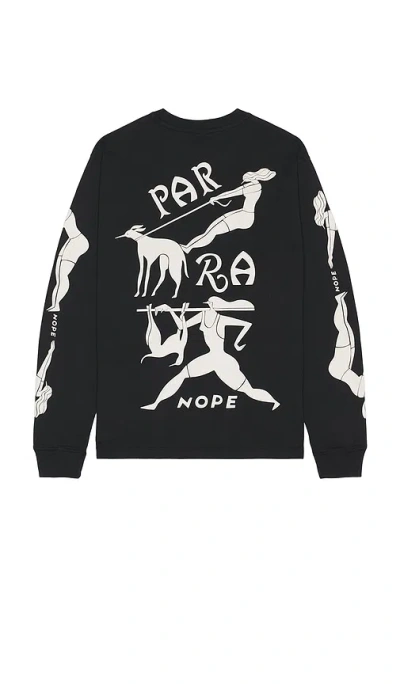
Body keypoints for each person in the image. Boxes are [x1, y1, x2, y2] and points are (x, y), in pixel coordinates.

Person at [141, 296, 280, 410]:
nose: (207, 306)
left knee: (248, 390)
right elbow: (181, 326)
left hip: (222, 360)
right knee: (181, 375)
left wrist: (237, 343)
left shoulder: (222, 319)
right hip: (210, 358)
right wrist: (170, 309)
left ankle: (274, 402)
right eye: (207, 304)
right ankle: (156, 404)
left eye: (209, 304)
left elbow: (247, 324)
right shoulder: (202, 315)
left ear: (214, 305)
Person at [181, 168, 276, 254]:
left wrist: (216, 197)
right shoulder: (255, 185)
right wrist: (216, 198)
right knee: (212, 228)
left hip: (244, 217)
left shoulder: (252, 187)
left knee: (212, 231)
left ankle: (188, 248)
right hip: (243, 213)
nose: (244, 181)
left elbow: (232, 193)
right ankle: (189, 247)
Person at [329, 292, 366, 417]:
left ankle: (339, 301)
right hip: (341, 368)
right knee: (345, 327)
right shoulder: (359, 391)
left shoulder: (359, 391)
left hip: (340, 367)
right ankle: (339, 301)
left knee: (343, 328)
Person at [47, 210, 89, 312]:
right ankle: (55, 304)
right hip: (72, 240)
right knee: (59, 276)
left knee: (62, 275)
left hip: (77, 241)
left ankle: (56, 305)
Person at [313, 190, 338, 269]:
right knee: (330, 241)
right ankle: (330, 258)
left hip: (330, 221)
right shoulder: (328, 213)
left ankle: (330, 258)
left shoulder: (328, 213)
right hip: (330, 222)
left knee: (330, 241)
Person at [35, 340, 55, 417]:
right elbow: (44, 370)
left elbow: (43, 369)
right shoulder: (38, 392)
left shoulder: (37, 390)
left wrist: (50, 352)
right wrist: (50, 352)